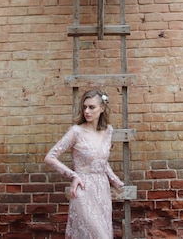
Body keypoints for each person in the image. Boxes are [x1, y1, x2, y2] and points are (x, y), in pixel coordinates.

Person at [44, 89, 124, 239]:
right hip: (83, 187)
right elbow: (50, 157)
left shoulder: (108, 131)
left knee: (105, 232)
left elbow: (101, 161)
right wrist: (73, 175)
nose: (87, 111)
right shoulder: (76, 132)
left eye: (91, 107)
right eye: (85, 107)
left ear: (102, 108)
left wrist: (115, 180)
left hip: (102, 189)